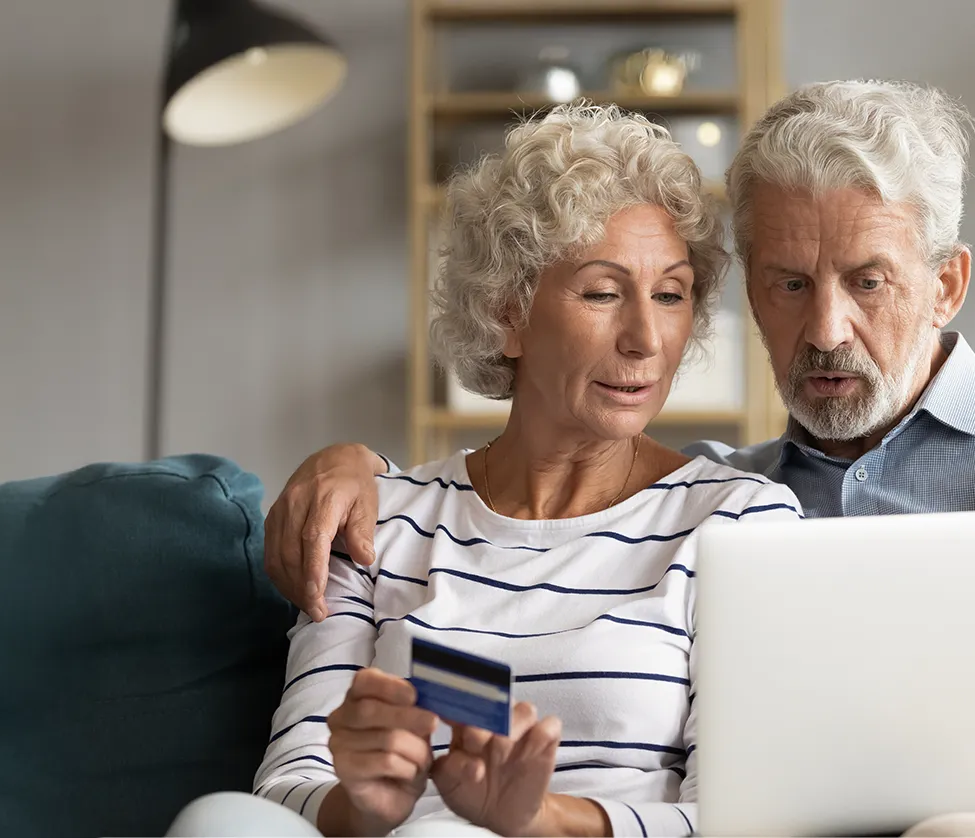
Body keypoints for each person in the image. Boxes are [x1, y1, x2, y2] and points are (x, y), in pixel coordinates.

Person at [262, 80, 975, 837]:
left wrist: (900, 745)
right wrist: (355, 466)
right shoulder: (729, 492)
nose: (824, 328)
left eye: (866, 281)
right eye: (787, 282)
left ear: (945, 284)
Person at [200, 104, 804, 838]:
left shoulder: (739, 524)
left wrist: (539, 819)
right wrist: (361, 804)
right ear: (506, 313)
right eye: (603, 292)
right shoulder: (378, 519)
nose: (646, 338)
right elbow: (287, 784)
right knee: (219, 821)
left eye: (671, 295)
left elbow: (747, 816)